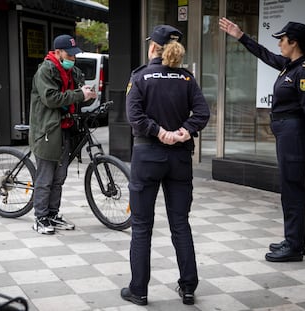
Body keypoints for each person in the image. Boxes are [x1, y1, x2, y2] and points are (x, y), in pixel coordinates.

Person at [219, 18, 305, 262]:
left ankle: (295, 246)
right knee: (289, 186)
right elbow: (265, 55)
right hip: (288, 132)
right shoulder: (290, 65)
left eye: (282, 39)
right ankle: (292, 239)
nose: (279, 44)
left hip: (295, 133)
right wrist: (240, 35)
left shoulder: (304, 70)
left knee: (292, 187)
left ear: (294, 42)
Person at [121, 25, 210, 306]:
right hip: (180, 158)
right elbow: (203, 113)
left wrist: (159, 132)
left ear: (152, 48)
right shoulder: (186, 78)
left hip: (148, 157)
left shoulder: (141, 77)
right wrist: (183, 131)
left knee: (142, 226)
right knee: (180, 224)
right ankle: (188, 288)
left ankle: (139, 291)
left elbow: (134, 116)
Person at [29, 34, 97, 234]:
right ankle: (40, 218)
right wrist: (79, 94)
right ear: (57, 52)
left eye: (75, 56)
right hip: (47, 131)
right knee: (45, 178)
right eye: (70, 55)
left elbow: (74, 95)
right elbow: (51, 98)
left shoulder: (72, 71)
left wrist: (86, 93)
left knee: (59, 177)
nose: (73, 59)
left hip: (65, 129)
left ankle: (52, 214)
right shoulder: (45, 71)